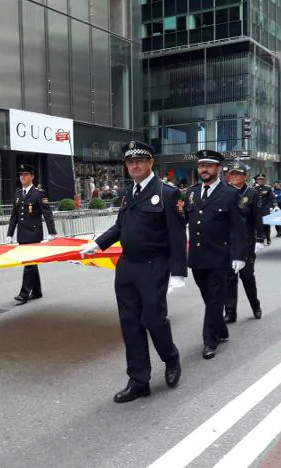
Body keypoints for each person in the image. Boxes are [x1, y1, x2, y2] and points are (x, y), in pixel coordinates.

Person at [79, 141, 186, 403]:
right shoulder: (128, 193)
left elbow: (176, 235)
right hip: (127, 267)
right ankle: (139, 380)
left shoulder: (167, 192)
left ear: (151, 163)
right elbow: (120, 226)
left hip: (154, 266)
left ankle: (171, 358)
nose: (134, 166)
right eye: (130, 162)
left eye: (140, 160)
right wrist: (97, 243)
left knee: (153, 319)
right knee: (130, 324)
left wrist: (178, 273)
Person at [184, 151, 245, 359]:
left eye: (209, 166)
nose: (204, 170)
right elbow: (181, 220)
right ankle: (221, 329)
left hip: (220, 258)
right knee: (209, 298)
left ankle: (210, 341)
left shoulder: (229, 193)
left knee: (213, 299)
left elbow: (238, 228)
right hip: (197, 258)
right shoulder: (191, 193)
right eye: (201, 166)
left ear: (219, 168)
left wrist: (239, 256)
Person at [6, 164, 57, 305]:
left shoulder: (38, 193)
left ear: (32, 176)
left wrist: (52, 232)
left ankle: (24, 294)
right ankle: (37, 291)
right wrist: (9, 234)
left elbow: (47, 213)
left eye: (26, 174)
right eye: (21, 175)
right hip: (22, 234)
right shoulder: (17, 193)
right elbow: (14, 216)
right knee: (31, 263)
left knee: (29, 263)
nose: (23, 177)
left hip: (34, 233)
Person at [224, 162, 265, 323]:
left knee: (247, 276)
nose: (234, 177)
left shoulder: (252, 194)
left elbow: (257, 218)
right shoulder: (225, 193)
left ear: (245, 176)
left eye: (238, 174)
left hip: (247, 241)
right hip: (228, 242)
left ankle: (255, 305)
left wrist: (260, 238)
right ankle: (230, 311)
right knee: (229, 277)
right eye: (232, 174)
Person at [254, 175, 277, 244]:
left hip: (265, 208)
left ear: (264, 180)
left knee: (266, 224)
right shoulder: (254, 188)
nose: (260, 181)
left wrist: (272, 206)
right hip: (257, 209)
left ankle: (268, 237)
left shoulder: (268, 188)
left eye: (262, 179)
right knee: (258, 224)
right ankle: (260, 238)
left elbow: (272, 198)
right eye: (259, 180)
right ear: (257, 181)